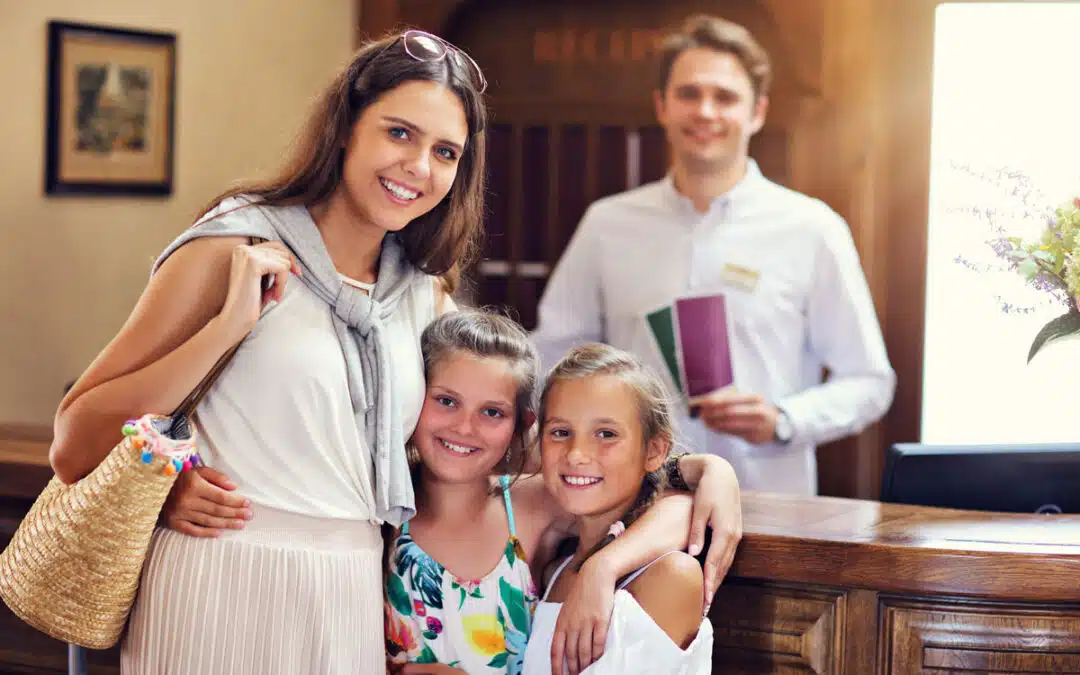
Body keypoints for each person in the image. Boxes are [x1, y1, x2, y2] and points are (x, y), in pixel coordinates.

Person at [50, 29, 492, 674]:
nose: (420, 168)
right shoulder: (232, 246)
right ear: (346, 128)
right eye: (399, 133)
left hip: (346, 594)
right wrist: (228, 327)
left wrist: (688, 475)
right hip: (213, 576)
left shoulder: (423, 298)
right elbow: (75, 441)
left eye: (445, 151)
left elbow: (479, 450)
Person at [530, 15, 895, 496]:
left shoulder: (812, 229)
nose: (705, 111)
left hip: (767, 504)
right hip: (631, 506)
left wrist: (783, 419)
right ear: (662, 106)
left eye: (725, 97)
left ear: (757, 112)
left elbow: (869, 381)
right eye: (688, 94)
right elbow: (553, 356)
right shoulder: (607, 224)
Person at [384, 310, 734, 675]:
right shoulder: (383, 509)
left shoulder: (531, 507)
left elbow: (674, 507)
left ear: (521, 426)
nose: (464, 427)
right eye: (446, 401)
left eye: (491, 411)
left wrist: (603, 566)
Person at [522, 343, 713, 675]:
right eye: (561, 432)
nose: (577, 453)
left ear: (654, 450)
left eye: (606, 434)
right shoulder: (555, 572)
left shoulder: (670, 577)